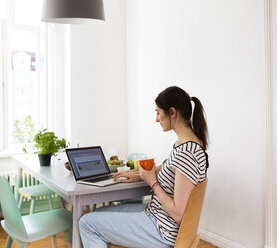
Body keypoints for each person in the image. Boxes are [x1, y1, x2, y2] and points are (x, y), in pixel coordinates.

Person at [79, 86, 209, 248]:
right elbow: (169, 166)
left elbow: (178, 214)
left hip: (162, 230)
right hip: (156, 215)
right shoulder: (189, 145)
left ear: (172, 112)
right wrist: (139, 175)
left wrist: (152, 182)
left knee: (86, 223)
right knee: (98, 213)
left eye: (157, 112)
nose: (156, 119)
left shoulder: (186, 153)